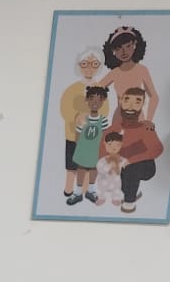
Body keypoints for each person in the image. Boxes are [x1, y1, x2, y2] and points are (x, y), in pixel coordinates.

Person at [57, 45, 105, 202]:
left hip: (93, 139)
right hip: (73, 134)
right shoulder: (72, 89)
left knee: (90, 165)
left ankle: (86, 190)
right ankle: (69, 188)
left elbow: (105, 111)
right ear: (79, 66)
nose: (89, 68)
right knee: (72, 165)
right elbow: (64, 109)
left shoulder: (101, 89)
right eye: (85, 64)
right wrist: (77, 116)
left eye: (94, 64)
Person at [114, 86, 162, 214]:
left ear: (142, 105)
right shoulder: (115, 128)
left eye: (137, 102)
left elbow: (157, 149)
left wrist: (131, 159)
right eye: (127, 100)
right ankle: (131, 192)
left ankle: (129, 201)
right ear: (121, 101)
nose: (130, 106)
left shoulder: (146, 127)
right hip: (124, 165)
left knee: (131, 165)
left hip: (145, 167)